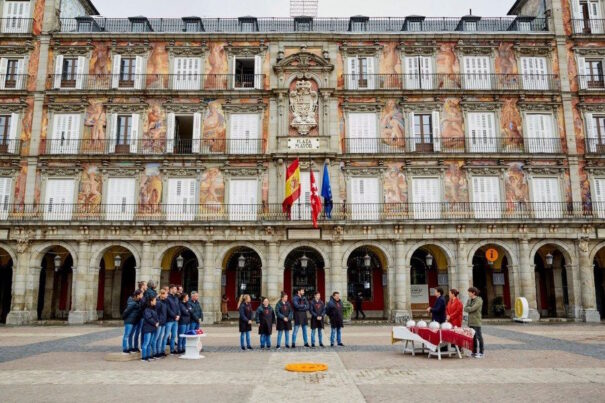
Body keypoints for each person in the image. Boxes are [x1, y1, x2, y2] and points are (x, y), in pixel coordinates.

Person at [465, 287, 484, 358]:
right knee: (473, 337)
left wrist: (469, 308)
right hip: (470, 321)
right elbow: (465, 308)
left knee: (479, 337)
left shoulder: (479, 300)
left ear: (473, 293)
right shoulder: (469, 300)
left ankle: (481, 353)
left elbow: (473, 308)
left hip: (476, 321)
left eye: (469, 292)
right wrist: (469, 308)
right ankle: (474, 352)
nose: (468, 293)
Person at [121, 290, 142, 354]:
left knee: (131, 335)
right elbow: (126, 311)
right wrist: (124, 318)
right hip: (129, 321)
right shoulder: (132, 302)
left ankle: (130, 348)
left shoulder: (138, 301)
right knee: (126, 335)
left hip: (134, 321)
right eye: (141, 295)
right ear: (137, 295)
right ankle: (125, 349)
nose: (142, 296)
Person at [141, 296, 159, 362]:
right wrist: (155, 323)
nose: (155, 302)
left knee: (150, 343)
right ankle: (143, 357)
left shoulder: (154, 308)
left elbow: (155, 317)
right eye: (154, 300)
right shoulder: (147, 309)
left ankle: (148, 356)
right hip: (148, 328)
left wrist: (157, 322)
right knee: (146, 343)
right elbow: (149, 318)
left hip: (153, 328)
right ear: (151, 302)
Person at [165, 284, 180, 354]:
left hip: (175, 320)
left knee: (174, 336)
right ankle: (162, 350)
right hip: (169, 320)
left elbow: (178, 308)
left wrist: (179, 315)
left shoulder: (176, 298)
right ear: (171, 289)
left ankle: (172, 350)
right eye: (175, 289)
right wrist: (174, 316)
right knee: (166, 335)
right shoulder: (167, 298)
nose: (176, 290)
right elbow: (168, 309)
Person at [132, 281, 147, 352]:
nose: (146, 286)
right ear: (142, 286)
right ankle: (135, 347)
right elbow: (140, 305)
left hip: (143, 315)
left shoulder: (144, 294)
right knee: (138, 332)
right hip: (140, 316)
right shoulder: (138, 293)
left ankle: (141, 346)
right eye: (145, 285)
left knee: (142, 332)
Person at [154, 288, 168, 358]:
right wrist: (157, 321)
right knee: (157, 338)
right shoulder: (158, 302)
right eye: (166, 294)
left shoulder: (164, 302)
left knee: (161, 338)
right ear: (162, 294)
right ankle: (155, 352)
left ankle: (159, 352)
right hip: (159, 322)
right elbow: (156, 313)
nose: (167, 295)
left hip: (164, 322)